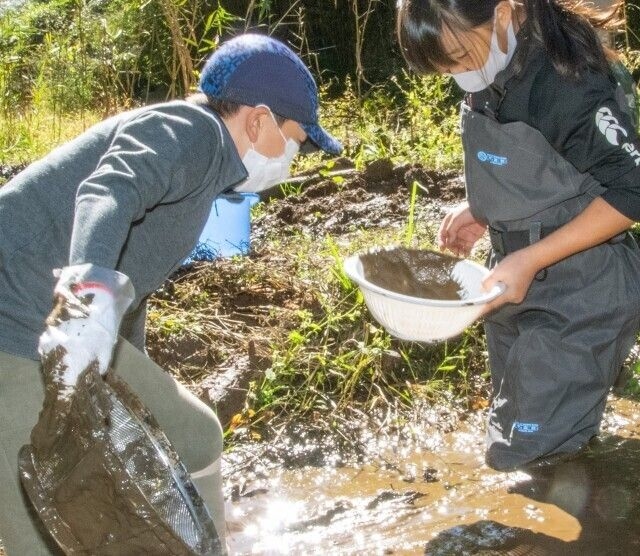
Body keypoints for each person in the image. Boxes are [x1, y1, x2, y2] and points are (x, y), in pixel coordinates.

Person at [0, 33, 341, 555]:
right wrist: (87, 301)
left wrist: (124, 358)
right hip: (16, 318)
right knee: (44, 524)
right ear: (258, 120)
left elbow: (131, 272)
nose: (294, 156)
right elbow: (107, 191)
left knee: (191, 432)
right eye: (296, 139)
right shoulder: (192, 131)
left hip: (52, 314)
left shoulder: (207, 166)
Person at [397, 0, 640, 471]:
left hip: (582, 289)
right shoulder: (497, 61)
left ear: (504, 14)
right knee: (515, 427)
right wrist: (486, 209)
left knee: (529, 459)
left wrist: (531, 258)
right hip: (514, 279)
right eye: (449, 68)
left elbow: (631, 190)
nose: (462, 76)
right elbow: (547, 168)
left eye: (463, 59)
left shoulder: (567, 81)